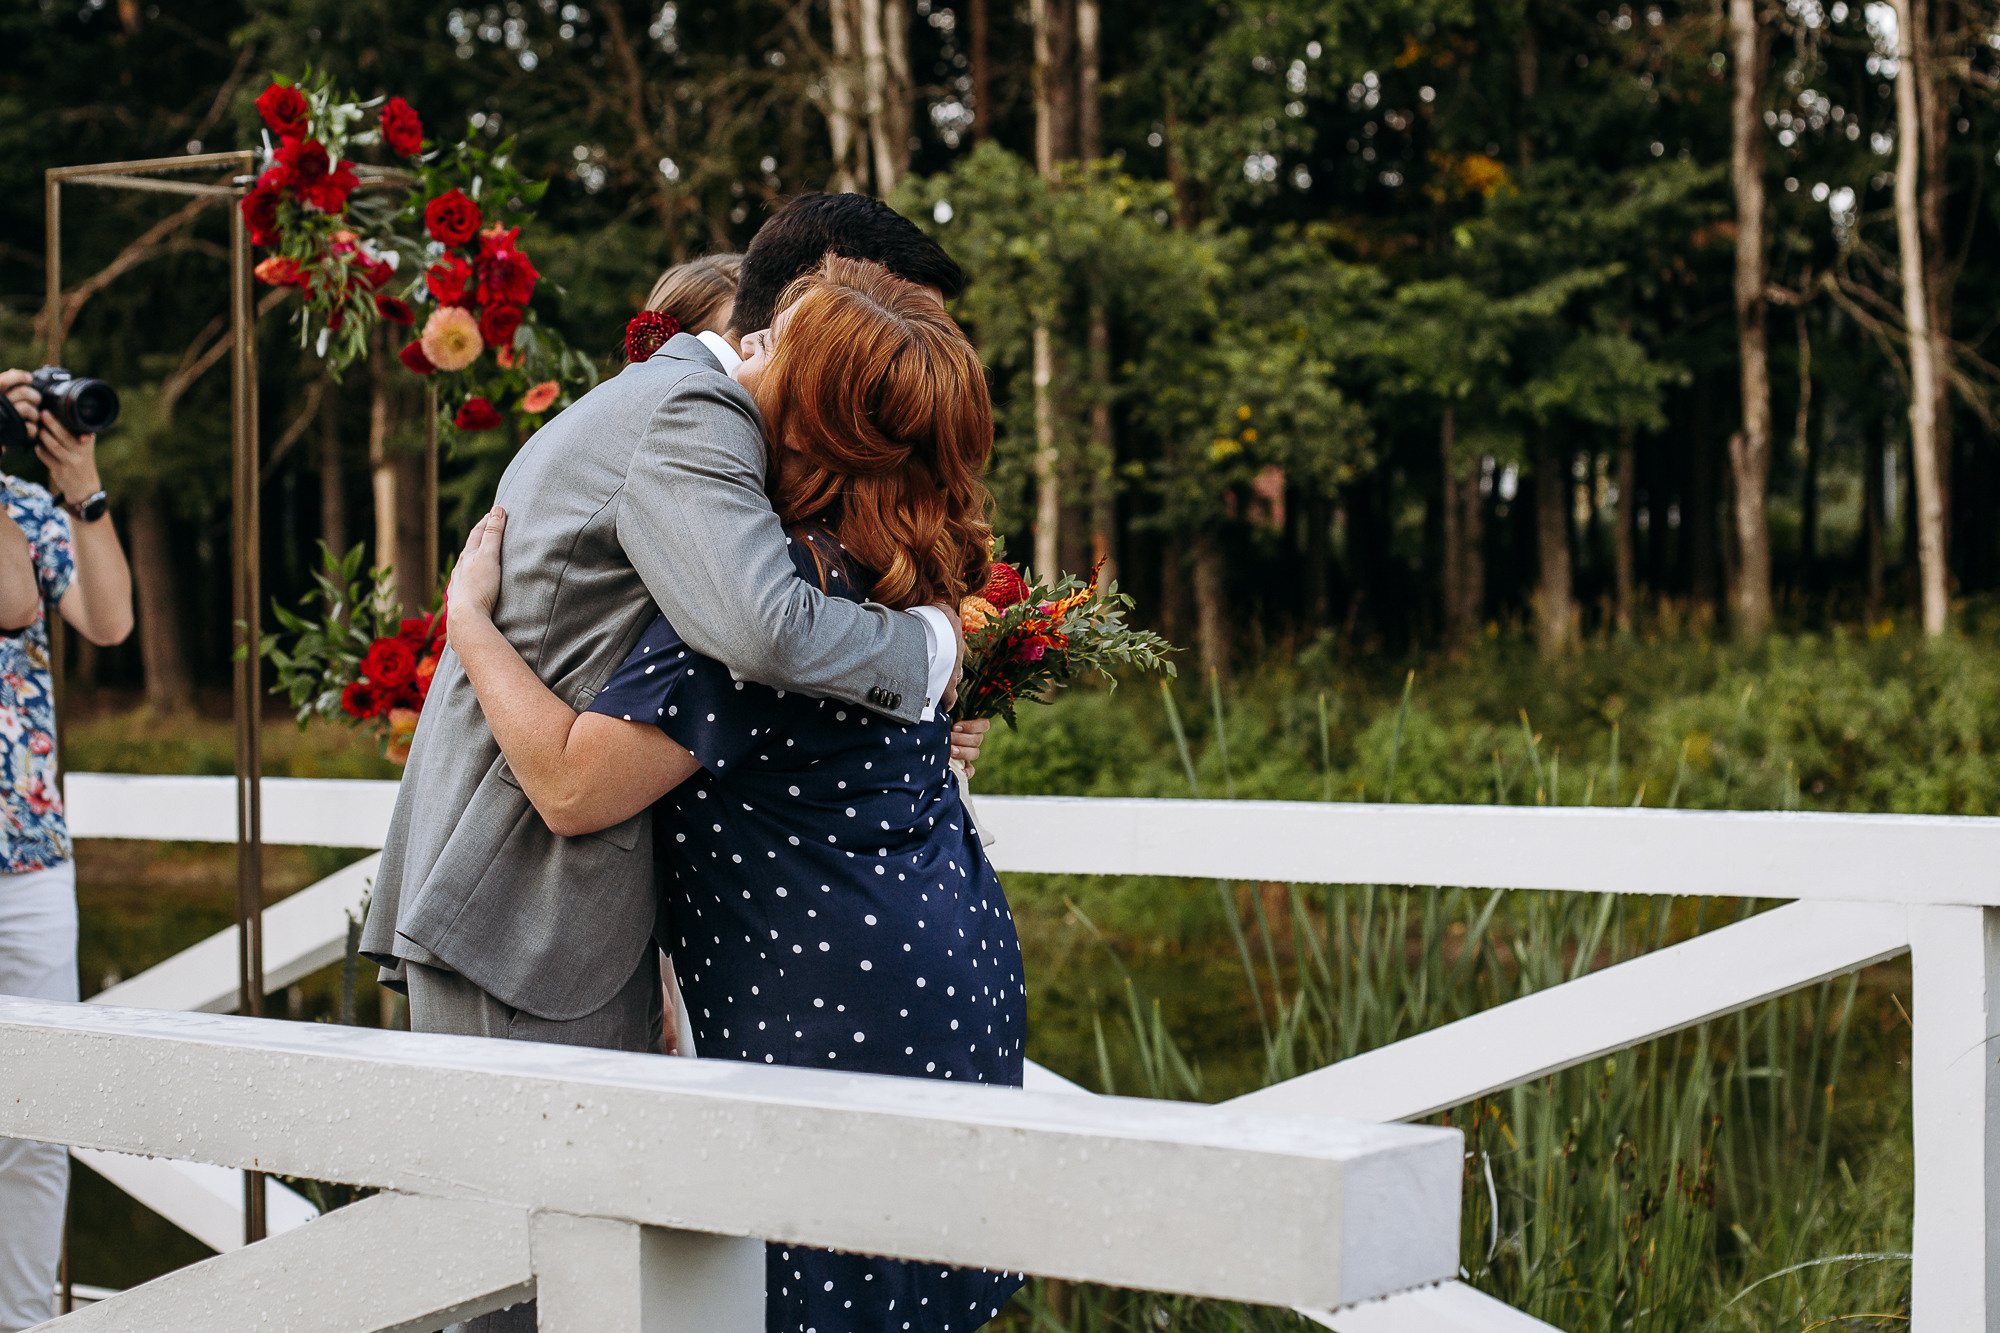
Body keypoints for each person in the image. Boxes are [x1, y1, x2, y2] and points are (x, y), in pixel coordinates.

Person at [360, 195, 991, 1330]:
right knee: (523, 1275)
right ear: (805, 309)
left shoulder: (717, 426)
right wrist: (932, 649)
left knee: (577, 1270)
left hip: (588, 886)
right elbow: (760, 629)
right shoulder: (694, 418)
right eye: (879, 320)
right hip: (524, 897)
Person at [0, 368, 134, 1333]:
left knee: (37, 1117)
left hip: (32, 853)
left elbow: (108, 619)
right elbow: (12, 601)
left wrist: (80, 483)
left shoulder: (23, 505)